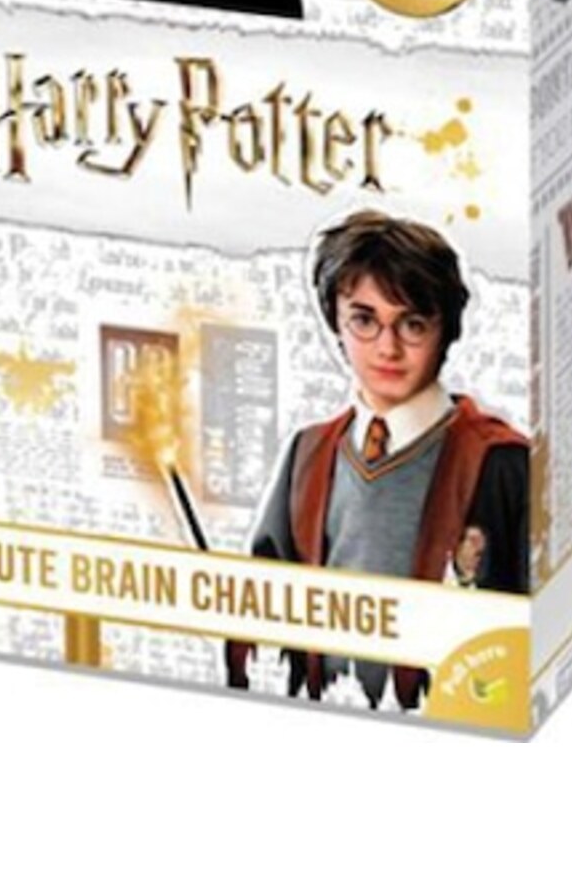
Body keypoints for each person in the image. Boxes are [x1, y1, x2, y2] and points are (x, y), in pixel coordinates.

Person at [226, 210, 528, 711]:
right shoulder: (307, 453)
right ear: (336, 323)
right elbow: (263, 602)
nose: (388, 348)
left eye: (412, 324)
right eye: (364, 321)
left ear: (445, 330)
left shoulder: (502, 462)